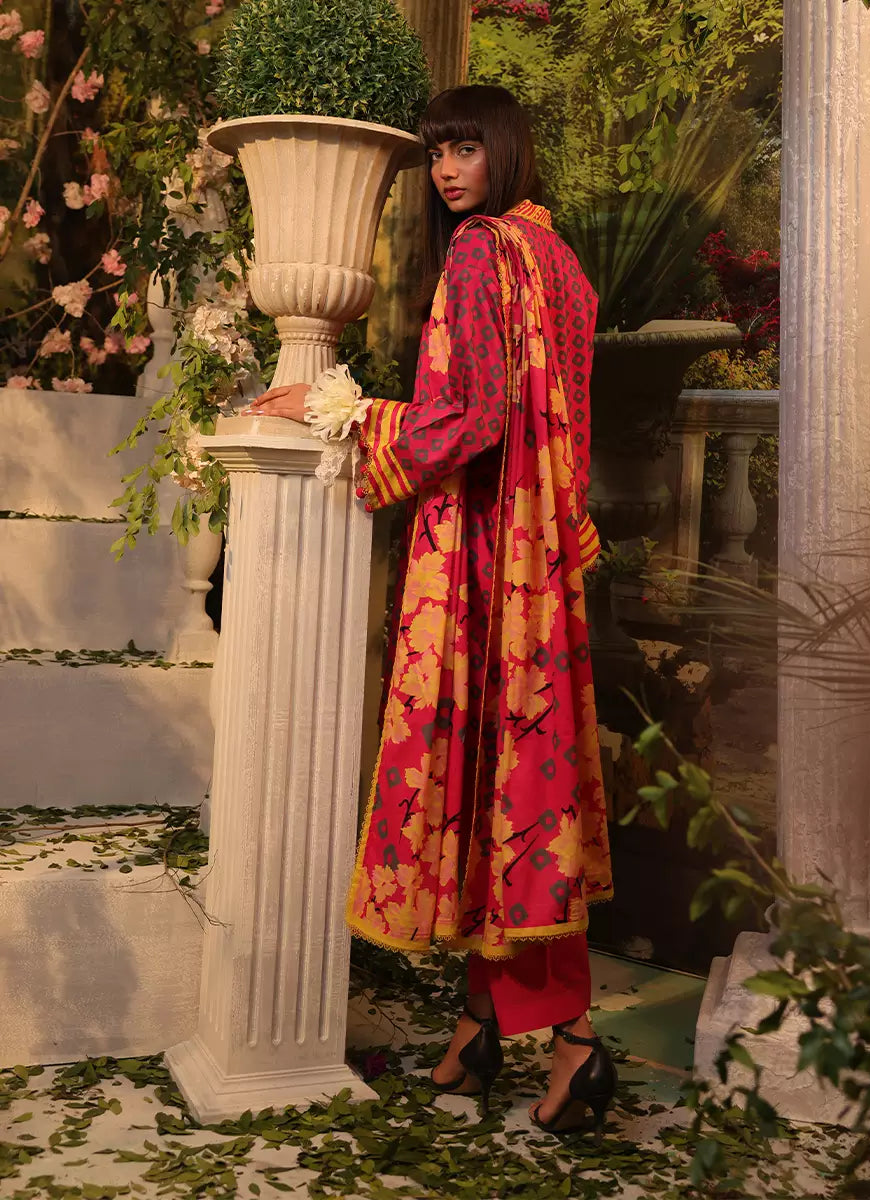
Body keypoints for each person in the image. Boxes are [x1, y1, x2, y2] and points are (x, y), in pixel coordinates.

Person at [246, 84, 615, 1139]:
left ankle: (575, 1043)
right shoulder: (560, 262)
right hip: (539, 558)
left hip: (488, 558)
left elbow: (475, 416)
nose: (448, 170)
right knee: (516, 789)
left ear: (504, 151)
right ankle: (478, 1028)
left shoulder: (482, 252)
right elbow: (558, 417)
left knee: (499, 788)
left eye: (465, 149)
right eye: (438, 153)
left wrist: (354, 412)